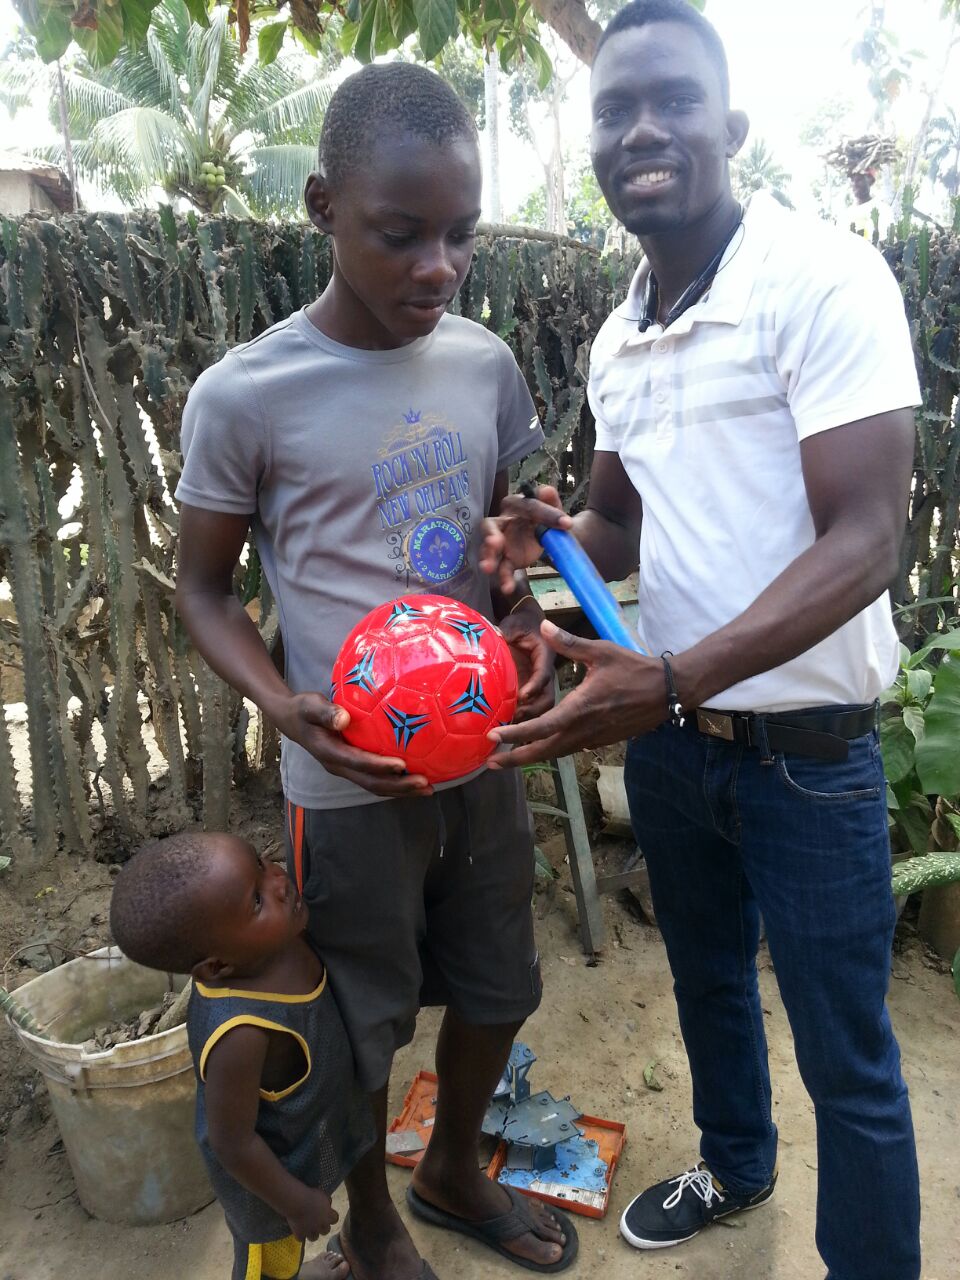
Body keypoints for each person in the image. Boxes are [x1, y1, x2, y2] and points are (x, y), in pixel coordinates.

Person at [480, 3, 922, 1277]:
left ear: (730, 124)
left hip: (808, 756)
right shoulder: (620, 335)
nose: (642, 130)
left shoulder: (822, 278)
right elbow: (620, 525)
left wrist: (672, 675)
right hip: (674, 743)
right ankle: (735, 1163)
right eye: (615, 110)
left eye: (673, 101)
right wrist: (552, 535)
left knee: (848, 1055)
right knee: (709, 982)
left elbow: (868, 538)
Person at [173, 62, 578, 1280]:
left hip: (482, 752)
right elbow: (202, 589)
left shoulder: (483, 363)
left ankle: (451, 1167)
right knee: (355, 1019)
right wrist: (279, 702)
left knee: (501, 982)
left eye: (461, 234)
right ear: (323, 208)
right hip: (345, 778)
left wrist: (524, 609)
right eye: (400, 234)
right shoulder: (247, 393)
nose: (438, 267)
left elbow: (499, 543)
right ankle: (373, 1221)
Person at [109, 832, 375, 1280]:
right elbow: (230, 1142)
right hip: (267, 1185)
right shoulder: (241, 1034)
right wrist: (295, 1202)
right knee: (268, 1262)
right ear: (216, 967)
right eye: (256, 900)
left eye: (262, 863)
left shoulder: (276, 942)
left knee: (288, 1255)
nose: (279, 881)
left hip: (302, 1142)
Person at [849, 168, 892, 238]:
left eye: (859, 179)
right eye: (852, 180)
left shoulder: (883, 209)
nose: (855, 184)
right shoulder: (846, 214)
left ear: (870, 181)